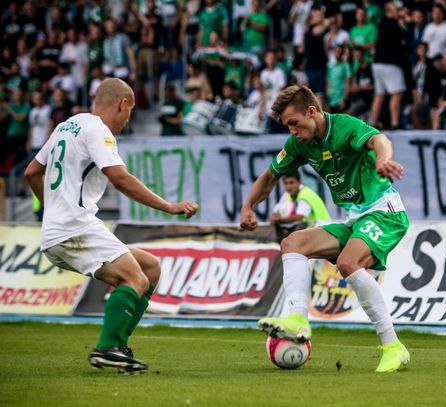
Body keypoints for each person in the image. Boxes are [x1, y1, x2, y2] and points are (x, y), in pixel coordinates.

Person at [24, 78, 198, 373]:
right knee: (135, 280)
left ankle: (119, 346)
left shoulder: (66, 125)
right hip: (75, 228)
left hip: (59, 230)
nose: (128, 119)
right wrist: (169, 207)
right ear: (122, 104)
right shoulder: (98, 131)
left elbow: (31, 172)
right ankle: (107, 348)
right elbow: (121, 179)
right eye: (130, 112)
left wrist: (52, 209)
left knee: (150, 268)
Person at [240, 84, 410, 373]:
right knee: (292, 244)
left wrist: (382, 159)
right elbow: (269, 176)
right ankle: (298, 320)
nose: (292, 131)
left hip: (385, 212)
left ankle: (393, 346)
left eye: (294, 123)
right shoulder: (299, 144)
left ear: (311, 111)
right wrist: (248, 206)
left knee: (348, 262)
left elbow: (379, 139)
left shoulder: (343, 126)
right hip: (355, 219)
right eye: (287, 126)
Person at [270, 170, 330, 241]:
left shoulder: (306, 194)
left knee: (295, 235)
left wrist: (280, 219)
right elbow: (276, 213)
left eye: (291, 183)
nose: (288, 187)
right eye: (286, 183)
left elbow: (299, 217)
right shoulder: (288, 195)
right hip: (312, 228)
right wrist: (274, 218)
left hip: (323, 229)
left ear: (299, 182)